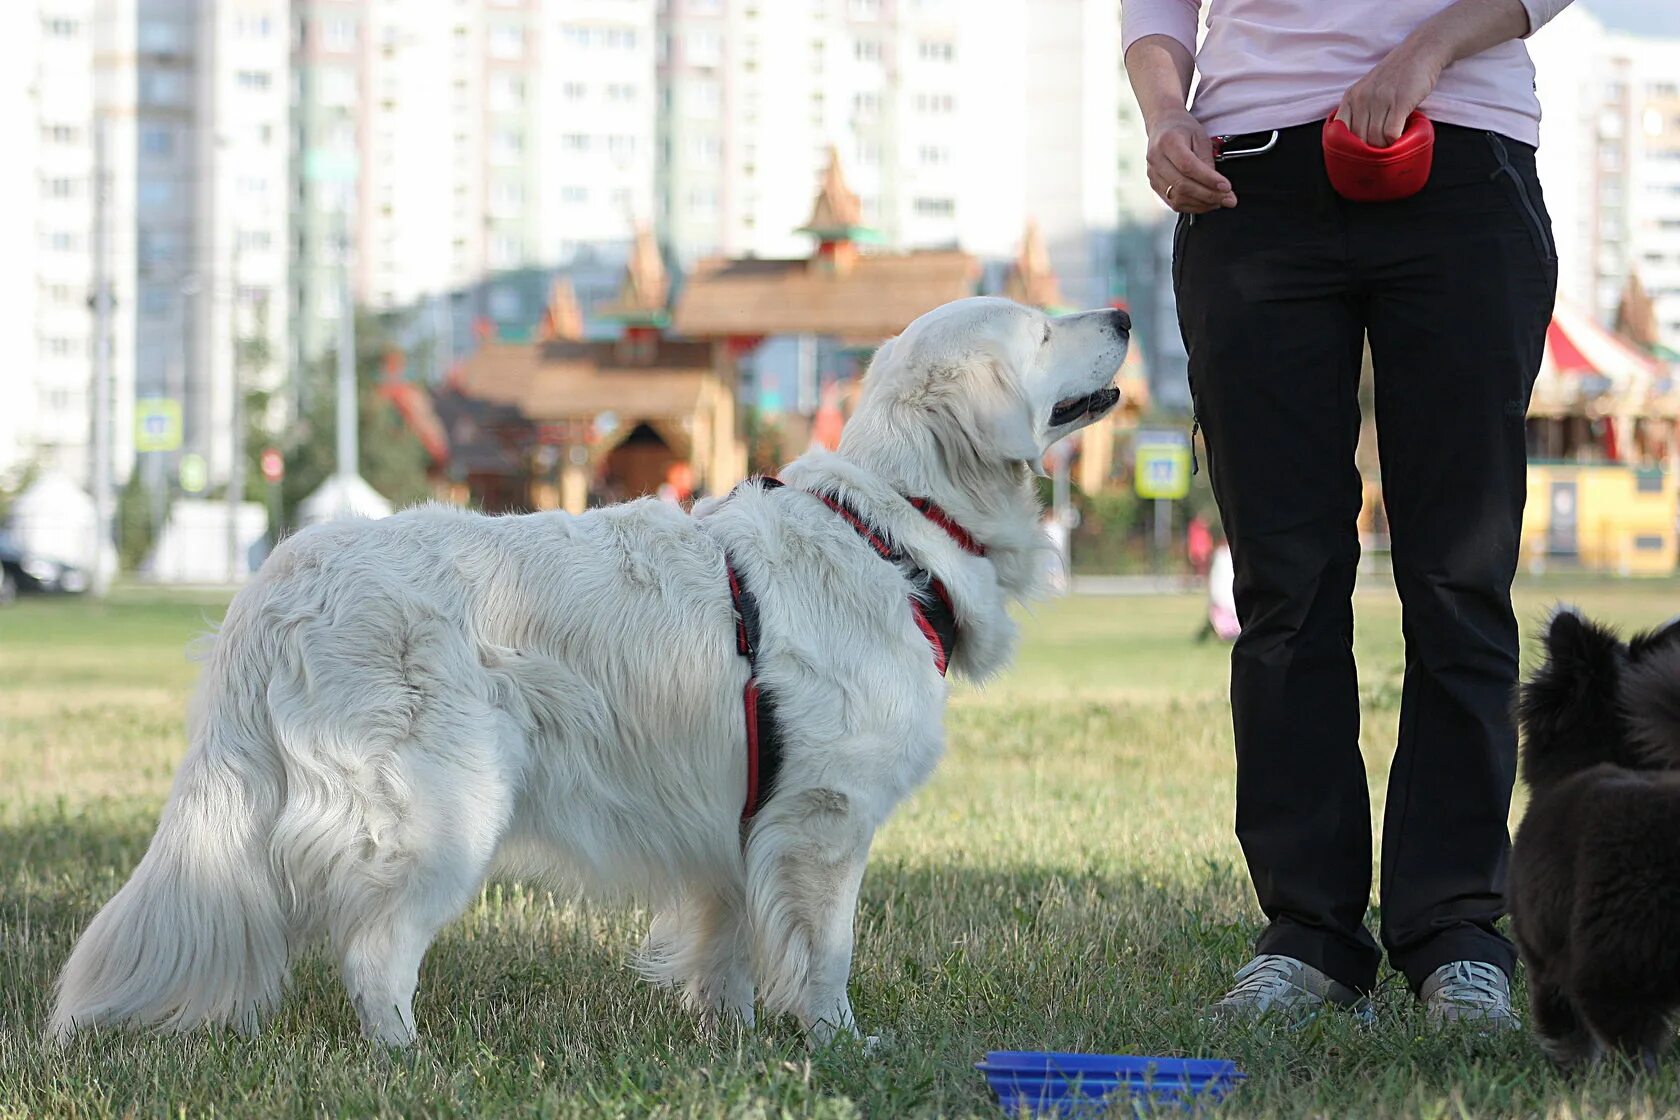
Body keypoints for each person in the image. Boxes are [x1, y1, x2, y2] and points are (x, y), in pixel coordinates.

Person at [1123, 0, 1567, 1027]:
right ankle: (1309, 934)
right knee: (1284, 583)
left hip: (1460, 155)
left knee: (1459, 574)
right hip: (1249, 175)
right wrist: (1163, 111)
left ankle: (1456, 929)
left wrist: (1424, 53)